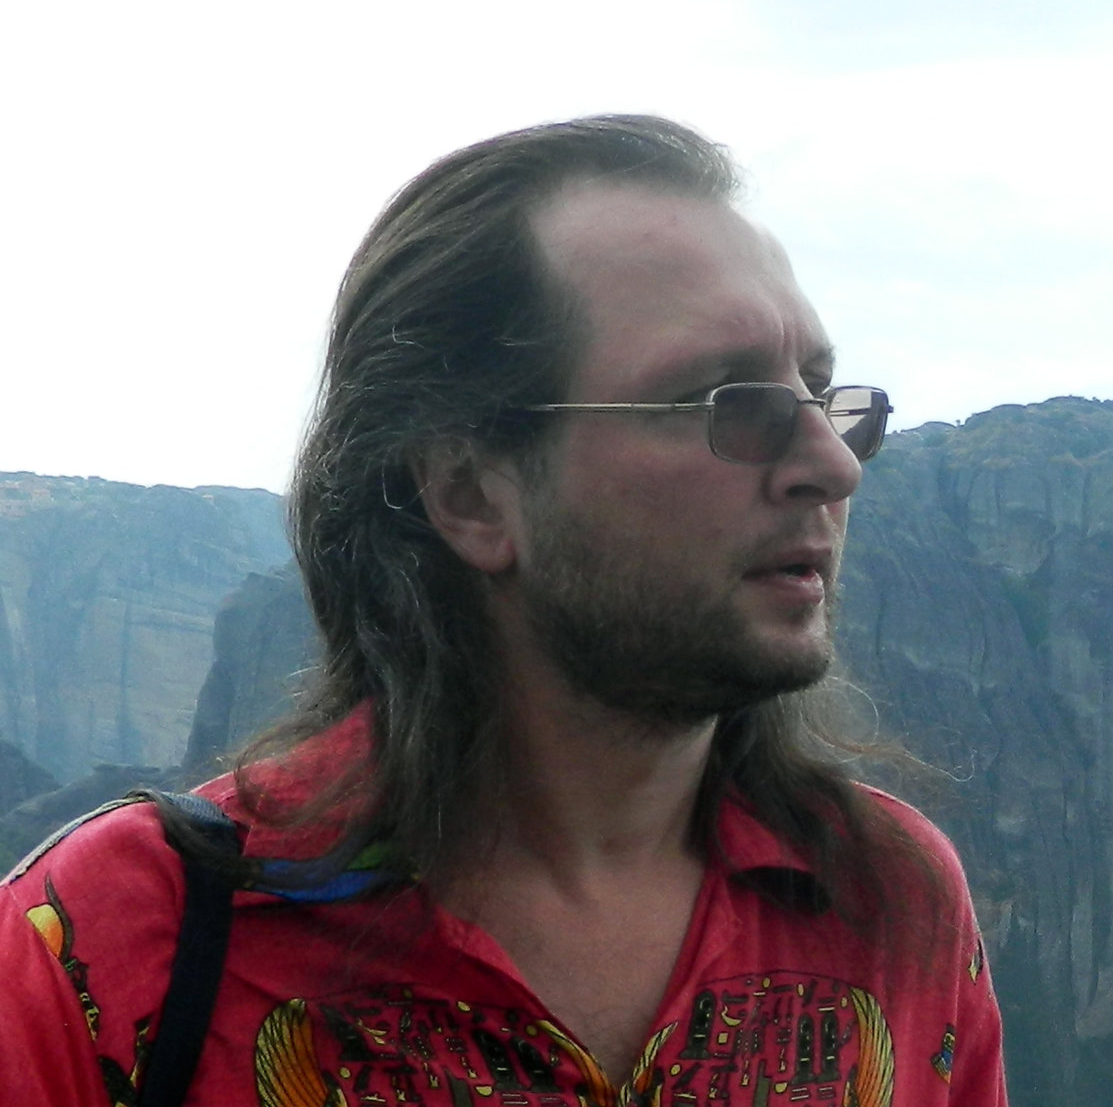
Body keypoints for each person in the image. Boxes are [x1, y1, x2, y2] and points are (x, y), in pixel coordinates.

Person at [0, 116, 1007, 1105]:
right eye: (725, 400)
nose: (833, 465)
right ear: (471, 494)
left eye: (821, 393)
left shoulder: (895, 899)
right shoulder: (115, 943)